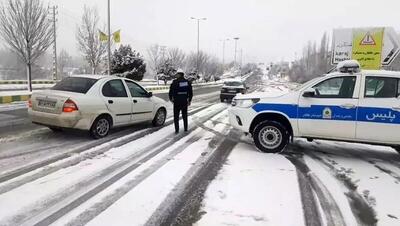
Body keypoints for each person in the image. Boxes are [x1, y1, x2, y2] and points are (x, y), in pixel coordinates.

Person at [169, 69, 193, 134]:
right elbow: (190, 92)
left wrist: (171, 98)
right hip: (184, 101)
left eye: (177, 74)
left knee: (176, 116)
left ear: (179, 74)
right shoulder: (187, 82)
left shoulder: (174, 82)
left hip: (176, 101)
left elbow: (170, 91)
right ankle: (185, 128)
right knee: (184, 115)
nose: (176, 75)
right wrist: (189, 100)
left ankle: (177, 130)